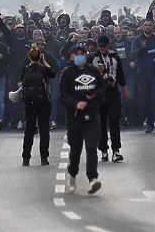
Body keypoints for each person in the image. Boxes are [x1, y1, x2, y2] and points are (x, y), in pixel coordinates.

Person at [59, 45, 105, 195]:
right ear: (72, 56)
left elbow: (103, 87)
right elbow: (62, 94)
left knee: (92, 147)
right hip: (74, 117)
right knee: (76, 150)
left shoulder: (93, 71)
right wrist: (75, 104)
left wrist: (95, 94)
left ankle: (92, 178)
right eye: (76, 53)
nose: (79, 56)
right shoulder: (67, 73)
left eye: (82, 54)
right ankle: (72, 174)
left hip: (92, 114)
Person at [88, 35, 130, 163]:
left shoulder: (115, 57)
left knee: (114, 122)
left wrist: (125, 91)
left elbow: (121, 74)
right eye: (99, 46)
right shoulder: (92, 58)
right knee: (100, 124)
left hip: (112, 92)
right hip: (97, 94)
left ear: (108, 44)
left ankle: (116, 150)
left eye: (104, 46)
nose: (101, 48)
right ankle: (104, 151)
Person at [20, 44, 56, 166]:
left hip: (29, 103)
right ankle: (44, 157)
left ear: (29, 57)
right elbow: (53, 74)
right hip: (43, 102)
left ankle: (26, 158)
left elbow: (21, 82)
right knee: (44, 130)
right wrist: (44, 61)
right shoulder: (43, 69)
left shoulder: (25, 69)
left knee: (29, 130)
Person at [130, 17, 155, 133]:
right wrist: (141, 48)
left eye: (150, 25)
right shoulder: (138, 39)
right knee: (146, 100)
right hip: (143, 72)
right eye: (146, 25)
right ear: (142, 26)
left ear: (153, 26)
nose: (148, 27)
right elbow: (132, 54)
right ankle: (150, 123)